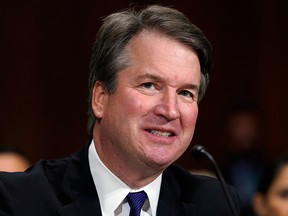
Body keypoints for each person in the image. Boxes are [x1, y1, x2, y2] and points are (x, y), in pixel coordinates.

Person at [0, 5, 241, 216]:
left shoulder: (216, 203)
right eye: (149, 85)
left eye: (186, 93)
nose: (170, 110)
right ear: (100, 98)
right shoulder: (21, 199)